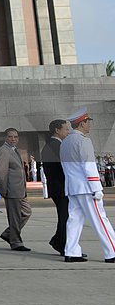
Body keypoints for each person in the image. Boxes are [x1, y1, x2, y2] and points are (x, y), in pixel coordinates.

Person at [61, 109, 115, 263]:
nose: (89, 125)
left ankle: (71, 251)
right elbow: (88, 166)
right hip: (86, 187)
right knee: (100, 219)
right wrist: (96, 188)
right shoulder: (83, 141)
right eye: (88, 122)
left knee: (74, 220)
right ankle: (112, 251)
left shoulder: (65, 142)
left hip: (72, 186)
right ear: (82, 123)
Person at [0, 127, 31, 251]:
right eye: (10, 136)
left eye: (15, 137)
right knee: (15, 217)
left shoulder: (14, 150)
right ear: (5, 138)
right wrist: (3, 189)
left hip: (20, 190)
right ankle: (16, 242)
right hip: (12, 190)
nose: (13, 139)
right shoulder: (4, 151)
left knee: (26, 212)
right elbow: (1, 171)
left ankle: (8, 234)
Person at [42, 119, 71, 256]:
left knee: (65, 217)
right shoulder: (56, 146)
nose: (68, 132)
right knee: (65, 217)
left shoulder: (51, 145)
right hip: (61, 188)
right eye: (66, 129)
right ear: (57, 130)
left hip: (57, 188)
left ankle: (59, 241)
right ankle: (61, 244)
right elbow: (63, 169)